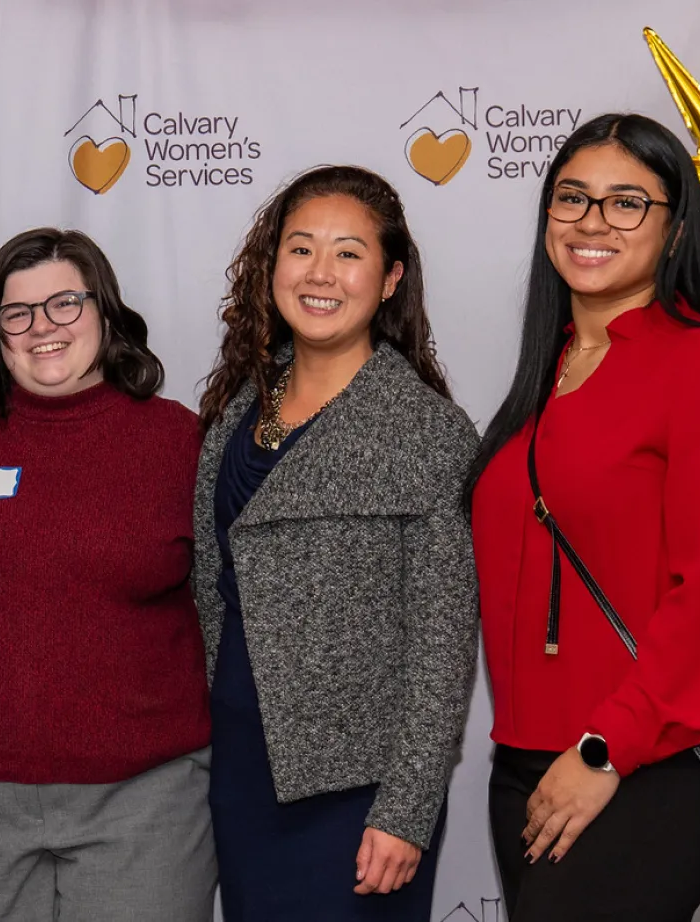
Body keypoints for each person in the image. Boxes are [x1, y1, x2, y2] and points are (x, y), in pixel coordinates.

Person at [468, 113, 700, 921]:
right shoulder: (541, 378)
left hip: (651, 756)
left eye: (626, 203)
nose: (591, 221)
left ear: (677, 224)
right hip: (523, 761)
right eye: (572, 198)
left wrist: (605, 746)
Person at [194, 165, 478, 921]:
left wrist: (406, 808)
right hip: (241, 764)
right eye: (301, 249)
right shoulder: (235, 407)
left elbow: (443, 645)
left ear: (389, 280)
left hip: (358, 791)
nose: (321, 273)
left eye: (348, 253)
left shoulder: (429, 432)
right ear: (273, 265)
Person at [0, 227, 215, 922]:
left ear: (105, 312)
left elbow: (227, 607)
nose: (42, 328)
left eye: (65, 304)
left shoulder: (177, 440)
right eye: (17, 313)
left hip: (146, 802)